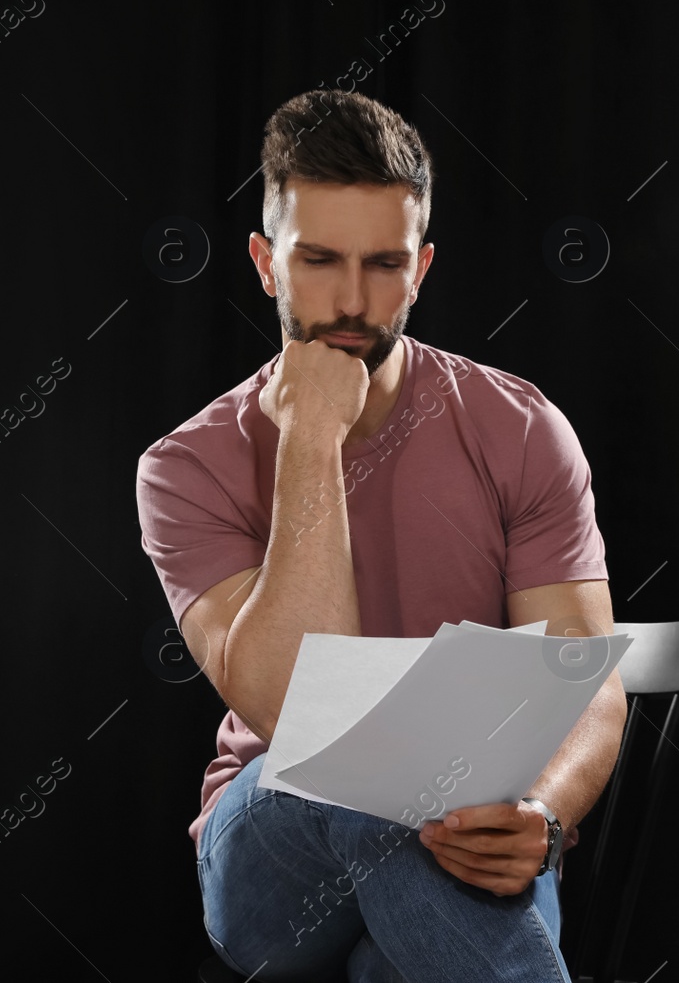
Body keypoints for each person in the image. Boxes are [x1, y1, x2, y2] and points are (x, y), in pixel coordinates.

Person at [135, 88, 625, 983]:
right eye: (318, 260)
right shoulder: (186, 466)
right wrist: (312, 436)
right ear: (265, 262)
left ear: (423, 267)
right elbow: (295, 710)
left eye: (384, 264)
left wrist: (546, 816)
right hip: (273, 856)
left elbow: (583, 675)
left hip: (471, 831)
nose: (353, 300)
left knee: (396, 963)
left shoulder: (519, 428)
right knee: (358, 777)